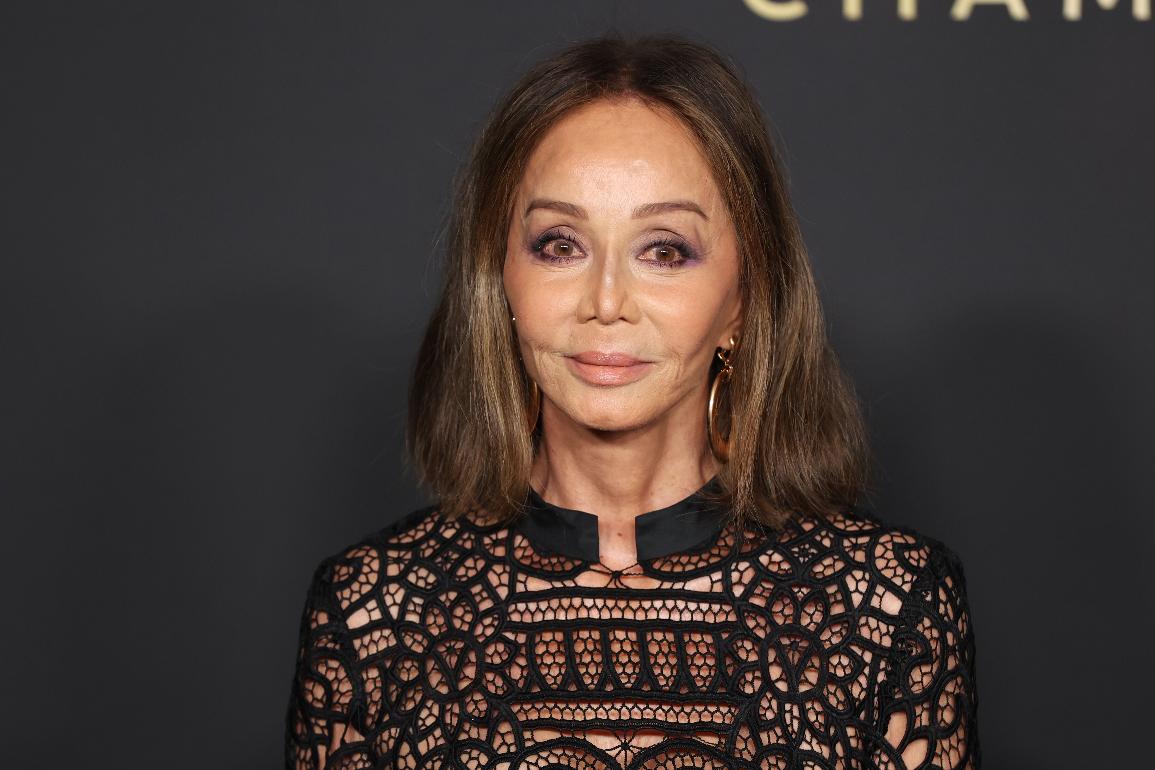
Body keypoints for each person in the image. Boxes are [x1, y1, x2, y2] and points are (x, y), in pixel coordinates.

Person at [285, 32, 980, 770]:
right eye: (560, 245)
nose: (607, 301)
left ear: (744, 298)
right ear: (500, 278)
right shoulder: (371, 614)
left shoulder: (889, 608)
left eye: (664, 250)